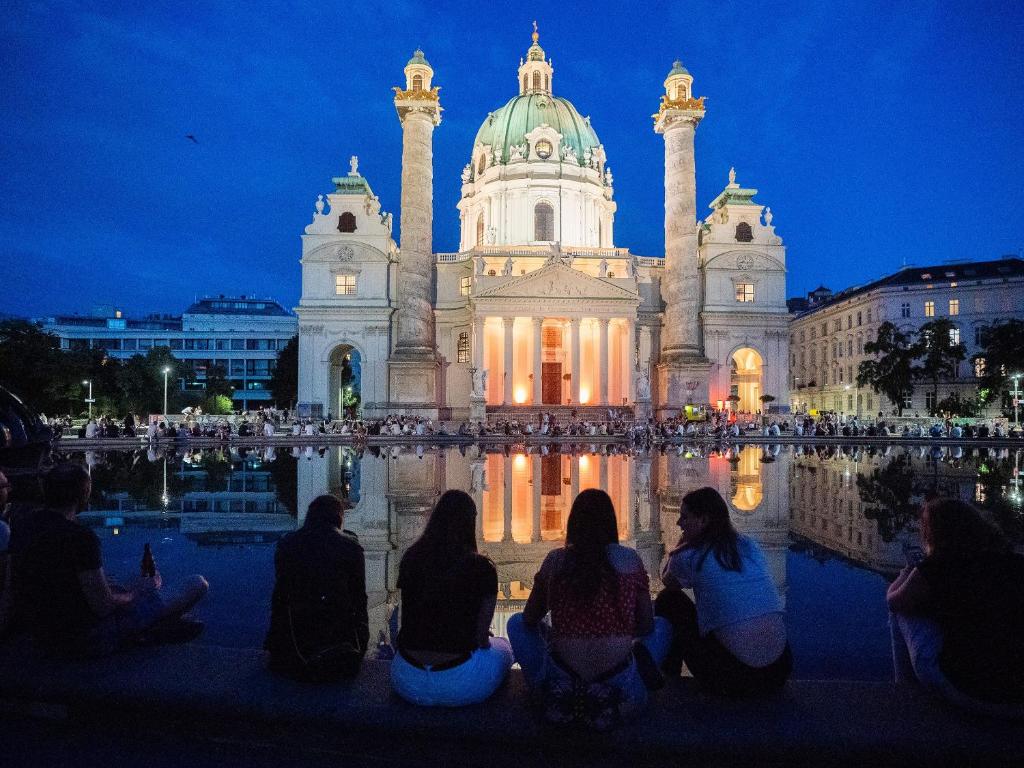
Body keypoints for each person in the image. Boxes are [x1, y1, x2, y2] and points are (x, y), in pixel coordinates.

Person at [508, 489, 672, 729]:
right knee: (664, 627)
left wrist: (554, 632)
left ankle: (549, 691)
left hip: (563, 682)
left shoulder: (556, 561)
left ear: (573, 522)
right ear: (612, 522)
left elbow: (529, 619)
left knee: (514, 623)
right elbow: (647, 626)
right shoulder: (629, 560)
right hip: (619, 686)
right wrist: (621, 633)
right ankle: (647, 684)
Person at [10, 463, 208, 657]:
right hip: (85, 637)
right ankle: (144, 630)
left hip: (40, 634)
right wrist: (136, 593)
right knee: (197, 584)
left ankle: (148, 626)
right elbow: (102, 606)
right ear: (84, 494)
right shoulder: (79, 537)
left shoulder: (22, 527)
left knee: (130, 582)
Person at [887, 498, 1024, 716]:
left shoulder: (938, 567)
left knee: (901, 612)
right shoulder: (1015, 563)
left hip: (969, 690)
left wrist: (905, 575)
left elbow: (893, 601)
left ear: (936, 534)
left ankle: (905, 694)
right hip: (1017, 696)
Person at [655, 487, 791, 696]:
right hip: (780, 670)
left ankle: (670, 676)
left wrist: (678, 548)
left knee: (668, 599)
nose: (678, 523)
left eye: (684, 517)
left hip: (732, 678)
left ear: (703, 520)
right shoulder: (749, 545)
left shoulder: (691, 555)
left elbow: (667, 581)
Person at [390, 490, 511, 707]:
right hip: (460, 683)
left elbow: (407, 618)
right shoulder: (482, 568)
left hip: (406, 677)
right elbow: (482, 639)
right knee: (504, 647)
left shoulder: (412, 558)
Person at [265, 494, 368, 681]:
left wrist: (275, 641)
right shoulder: (351, 548)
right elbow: (359, 600)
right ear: (339, 518)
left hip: (294, 649)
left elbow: (280, 597)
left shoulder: (287, 544)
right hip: (337, 647)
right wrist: (361, 644)